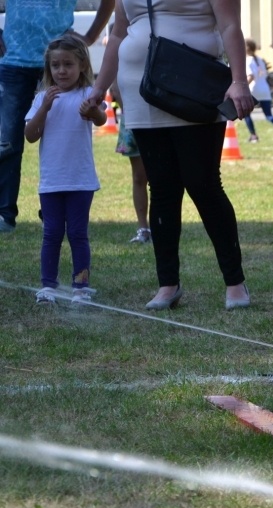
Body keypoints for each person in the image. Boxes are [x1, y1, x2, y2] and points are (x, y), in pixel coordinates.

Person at [87, 0, 254, 311]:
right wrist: (99, 88)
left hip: (193, 85)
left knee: (204, 185)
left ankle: (235, 282)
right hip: (143, 90)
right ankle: (168, 284)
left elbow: (231, 26)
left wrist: (239, 81)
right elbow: (120, 34)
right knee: (162, 189)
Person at [0, 0, 114, 234]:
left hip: (59, 61)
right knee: (8, 143)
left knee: (64, 139)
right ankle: (5, 214)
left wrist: (90, 36)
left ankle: (54, 214)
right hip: (14, 60)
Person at [23, 35, 106, 304]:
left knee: (78, 233)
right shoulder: (41, 98)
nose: (61, 71)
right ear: (49, 69)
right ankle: (48, 286)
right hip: (51, 182)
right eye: (55, 65)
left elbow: (102, 118)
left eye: (68, 64)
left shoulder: (87, 95)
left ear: (82, 65)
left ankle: (81, 287)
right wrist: (44, 107)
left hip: (80, 181)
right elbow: (30, 135)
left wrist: (92, 112)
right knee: (52, 233)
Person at [110, 79, 151, 244]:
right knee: (139, 177)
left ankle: (162, 225)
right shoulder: (122, 52)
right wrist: (130, 111)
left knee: (162, 179)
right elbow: (115, 86)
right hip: (134, 116)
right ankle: (144, 229)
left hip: (160, 114)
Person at [243, 38, 273, 144]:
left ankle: (253, 136)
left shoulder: (248, 60)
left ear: (246, 48)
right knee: (268, 115)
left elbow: (251, 76)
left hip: (253, 90)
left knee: (246, 114)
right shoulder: (260, 60)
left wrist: (242, 87)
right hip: (264, 89)